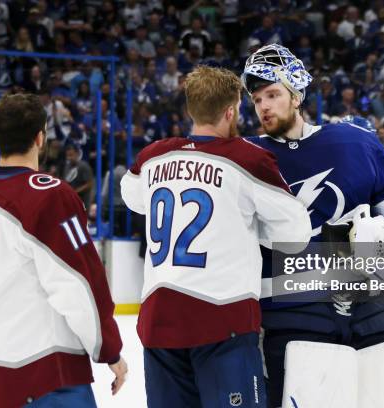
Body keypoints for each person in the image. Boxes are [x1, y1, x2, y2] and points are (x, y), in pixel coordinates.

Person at [242, 44, 384, 408]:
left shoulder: (355, 142)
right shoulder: (246, 157)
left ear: (296, 95)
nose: (263, 106)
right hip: (295, 323)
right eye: (256, 99)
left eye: (273, 94)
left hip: (372, 318)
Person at [120, 65, 312, 408]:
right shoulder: (248, 159)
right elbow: (295, 235)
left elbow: (132, 198)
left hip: (159, 323)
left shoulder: (152, 157)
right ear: (230, 110)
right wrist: (249, 226)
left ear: (191, 109)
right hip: (223, 322)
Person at [0, 93, 127, 407]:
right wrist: (108, 349)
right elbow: (78, 284)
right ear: (40, 137)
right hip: (40, 378)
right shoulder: (49, 196)